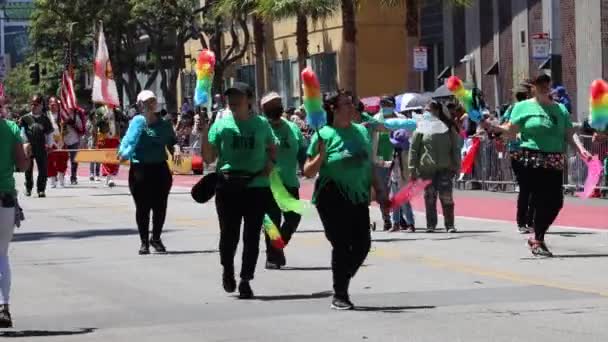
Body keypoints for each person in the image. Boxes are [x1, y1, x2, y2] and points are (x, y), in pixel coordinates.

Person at [482, 74, 592, 257]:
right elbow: (511, 130)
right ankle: (538, 239)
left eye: (547, 84)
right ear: (533, 87)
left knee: (556, 202)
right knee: (540, 197)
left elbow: (569, 132)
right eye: (540, 84)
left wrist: (581, 149)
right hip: (530, 157)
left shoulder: (560, 109)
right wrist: (494, 127)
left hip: (554, 158)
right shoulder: (522, 107)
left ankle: (537, 235)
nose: (544, 87)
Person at [303, 91, 389, 311]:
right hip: (331, 196)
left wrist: (379, 190)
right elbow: (308, 171)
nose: (352, 107)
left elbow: (368, 165)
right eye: (347, 104)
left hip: (358, 195)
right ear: (333, 109)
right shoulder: (323, 134)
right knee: (341, 245)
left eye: (352, 103)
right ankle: (340, 294)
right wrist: (321, 156)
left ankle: (342, 279)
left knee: (363, 245)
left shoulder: (360, 132)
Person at [201, 82, 277, 299]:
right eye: (230, 97)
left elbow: (272, 148)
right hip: (228, 186)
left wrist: (270, 164)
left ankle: (246, 279)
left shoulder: (262, 124)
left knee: (252, 236)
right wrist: (205, 132)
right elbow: (208, 158)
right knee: (229, 234)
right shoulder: (221, 125)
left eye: (238, 97)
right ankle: (228, 269)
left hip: (255, 187)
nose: (233, 101)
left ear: (250, 100)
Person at [119, 90, 180, 255]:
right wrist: (123, 153)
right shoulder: (135, 123)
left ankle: (156, 238)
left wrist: (177, 150)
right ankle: (144, 242)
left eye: (152, 101)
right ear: (139, 105)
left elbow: (172, 143)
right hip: (140, 170)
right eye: (145, 102)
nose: (149, 105)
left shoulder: (164, 124)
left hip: (160, 169)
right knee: (143, 207)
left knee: (160, 207)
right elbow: (127, 142)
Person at [260, 92, 305, 269]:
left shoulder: (292, 127)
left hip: (290, 181)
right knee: (272, 221)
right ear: (264, 110)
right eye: (271, 106)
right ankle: (272, 256)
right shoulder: (261, 128)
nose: (276, 108)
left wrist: (306, 164)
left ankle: (276, 248)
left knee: (294, 218)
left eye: (278, 104)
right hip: (268, 183)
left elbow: (302, 150)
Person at [409, 100, 461, 233]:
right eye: (426, 110)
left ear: (438, 111)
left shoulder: (448, 127)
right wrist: (412, 169)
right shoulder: (421, 127)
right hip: (427, 169)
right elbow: (414, 149)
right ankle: (430, 225)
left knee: (447, 198)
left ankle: (450, 225)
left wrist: (457, 165)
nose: (429, 112)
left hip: (445, 168)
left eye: (431, 110)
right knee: (430, 197)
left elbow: (455, 148)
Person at [0, 111, 30, 327]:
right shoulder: (11, 128)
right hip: (5, 200)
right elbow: (22, 165)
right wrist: (27, 152)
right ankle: (3, 305)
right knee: (1, 254)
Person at [502, 82, 535, 233]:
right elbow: (505, 126)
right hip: (518, 151)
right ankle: (523, 221)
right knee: (526, 187)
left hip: (533, 151)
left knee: (532, 188)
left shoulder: (535, 108)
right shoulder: (513, 109)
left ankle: (529, 221)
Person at [372, 96, 400, 231]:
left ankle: (399, 219)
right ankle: (387, 219)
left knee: (397, 191)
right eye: (383, 104)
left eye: (388, 103)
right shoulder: (376, 119)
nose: (385, 106)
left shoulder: (401, 119)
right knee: (383, 192)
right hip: (381, 162)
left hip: (398, 160)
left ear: (393, 105)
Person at [20, 95, 53, 198]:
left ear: (41, 106)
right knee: (28, 169)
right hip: (29, 146)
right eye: (32, 104)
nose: (33, 106)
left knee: (43, 169)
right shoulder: (25, 118)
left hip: (41, 146)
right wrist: (25, 143)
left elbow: (49, 134)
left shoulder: (45, 119)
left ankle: (41, 190)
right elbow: (21, 132)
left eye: (36, 105)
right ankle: (28, 188)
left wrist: (49, 144)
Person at [388, 129, 416, 232]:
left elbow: (407, 167)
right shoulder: (395, 152)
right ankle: (395, 223)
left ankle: (410, 224)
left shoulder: (406, 153)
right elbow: (393, 164)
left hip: (404, 180)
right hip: (394, 179)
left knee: (405, 203)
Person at [46, 97, 70, 188]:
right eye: (51, 104)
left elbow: (66, 130)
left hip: (61, 141)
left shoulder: (62, 116)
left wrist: (64, 128)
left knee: (62, 161)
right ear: (49, 105)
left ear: (58, 105)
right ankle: (52, 180)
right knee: (51, 161)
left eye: (54, 104)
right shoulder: (46, 115)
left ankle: (61, 180)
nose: (53, 106)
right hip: (50, 141)